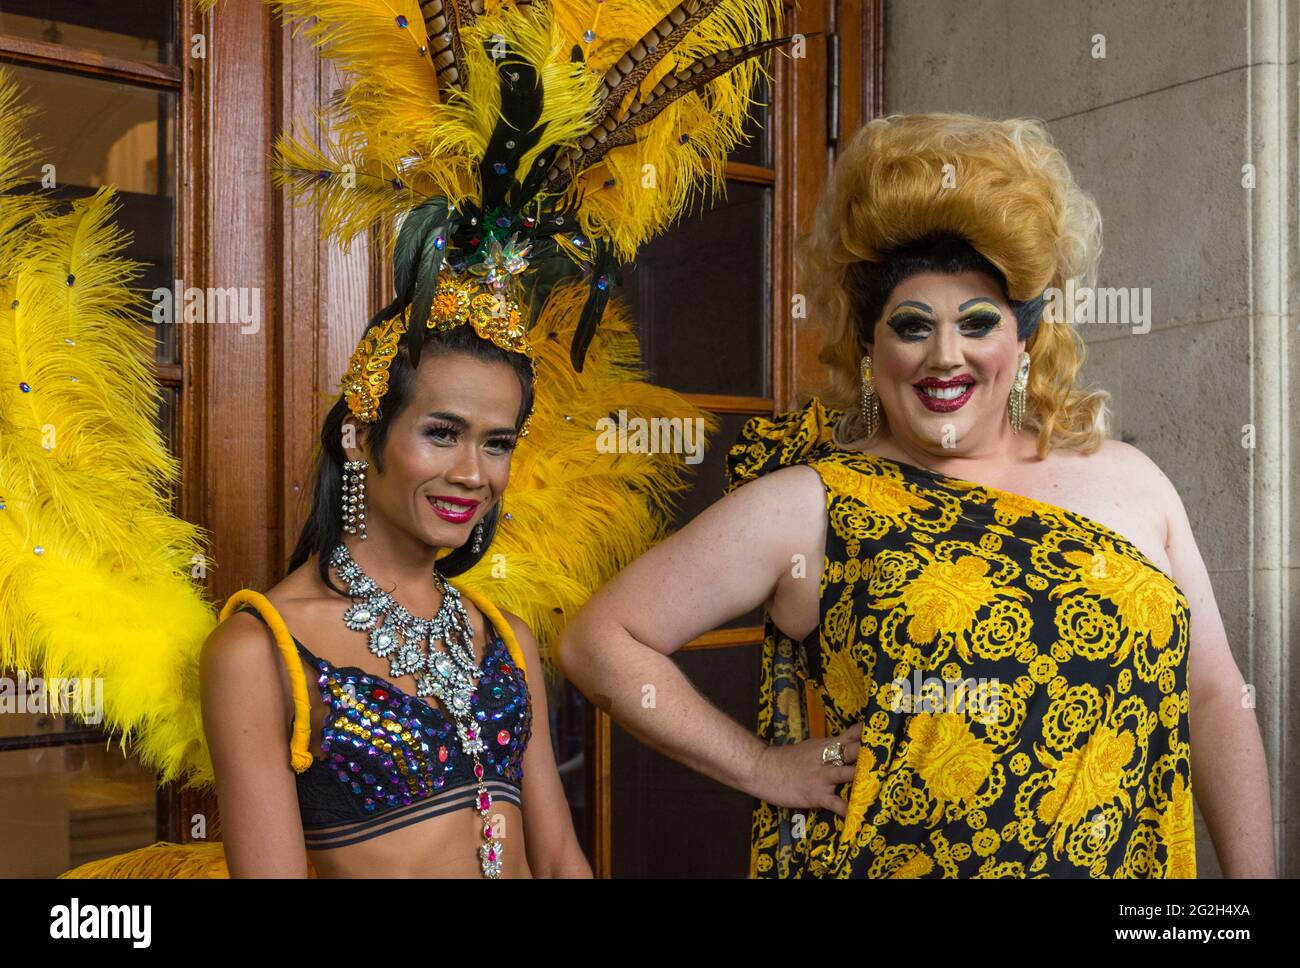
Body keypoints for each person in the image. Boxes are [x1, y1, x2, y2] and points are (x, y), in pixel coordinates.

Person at [557, 113, 1276, 878]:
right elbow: (597, 642)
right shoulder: (814, 503)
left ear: (1024, 340)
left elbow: (1212, 697)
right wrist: (760, 766)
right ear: (869, 349)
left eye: (976, 322)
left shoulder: (1130, 479)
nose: (945, 356)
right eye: (911, 326)